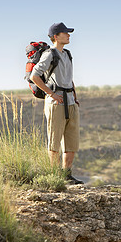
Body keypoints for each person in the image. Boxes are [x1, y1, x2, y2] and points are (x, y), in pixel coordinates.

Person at [30, 22, 83, 184]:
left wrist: (74, 95)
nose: (68, 35)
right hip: (56, 103)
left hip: (70, 102)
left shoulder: (67, 53)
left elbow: (69, 78)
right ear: (55, 36)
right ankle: (54, 175)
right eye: (65, 33)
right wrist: (51, 93)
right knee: (54, 140)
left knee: (72, 141)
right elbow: (34, 76)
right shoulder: (49, 54)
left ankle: (66, 175)